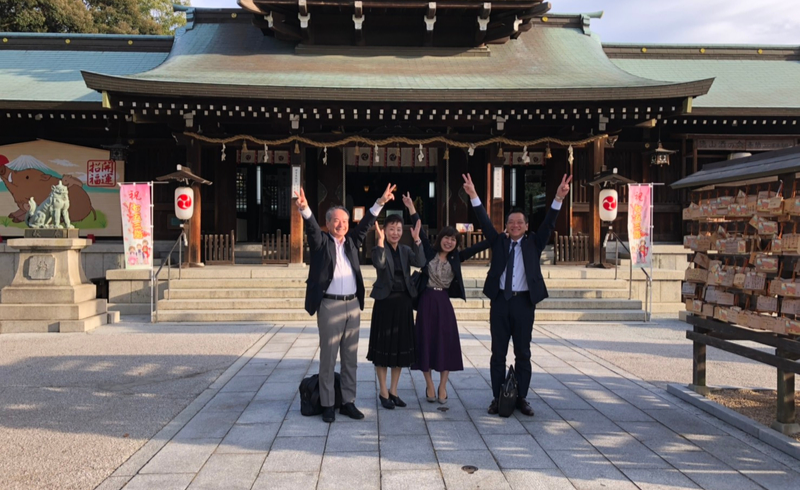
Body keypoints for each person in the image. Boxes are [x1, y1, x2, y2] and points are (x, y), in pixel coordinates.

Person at [462, 172, 572, 417]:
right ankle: (496, 397)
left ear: (526, 225)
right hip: (501, 301)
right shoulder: (499, 241)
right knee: (497, 353)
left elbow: (550, 223)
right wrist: (473, 195)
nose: (515, 226)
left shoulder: (534, 242)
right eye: (511, 222)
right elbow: (485, 221)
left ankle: (521, 397)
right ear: (506, 225)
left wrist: (558, 198)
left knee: (523, 352)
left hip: (523, 303)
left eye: (519, 222)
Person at [294, 183, 396, 423]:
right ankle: (328, 404)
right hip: (330, 306)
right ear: (328, 224)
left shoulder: (351, 242)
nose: (341, 225)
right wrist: (305, 209)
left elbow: (367, 224)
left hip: (352, 306)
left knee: (350, 357)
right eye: (336, 221)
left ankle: (348, 401)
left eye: (345, 221)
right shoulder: (321, 243)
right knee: (328, 357)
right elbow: (311, 228)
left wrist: (380, 202)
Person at [403, 192, 491, 404]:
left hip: (443, 303)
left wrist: (499, 236)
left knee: (445, 343)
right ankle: (429, 384)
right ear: (440, 238)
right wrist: (411, 209)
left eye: (453, 239)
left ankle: (443, 385)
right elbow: (420, 230)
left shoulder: (457, 258)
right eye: (446, 238)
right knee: (424, 341)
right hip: (426, 301)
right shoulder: (428, 253)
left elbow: (481, 246)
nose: (449, 242)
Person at [368, 214, 426, 409]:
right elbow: (380, 264)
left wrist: (417, 239)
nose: (395, 233)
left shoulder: (406, 249)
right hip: (385, 303)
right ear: (385, 230)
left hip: (403, 303)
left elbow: (420, 262)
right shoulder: (379, 249)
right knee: (383, 347)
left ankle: (394, 390)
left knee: (400, 347)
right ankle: (383, 391)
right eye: (391, 229)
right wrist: (380, 242)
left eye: (398, 229)